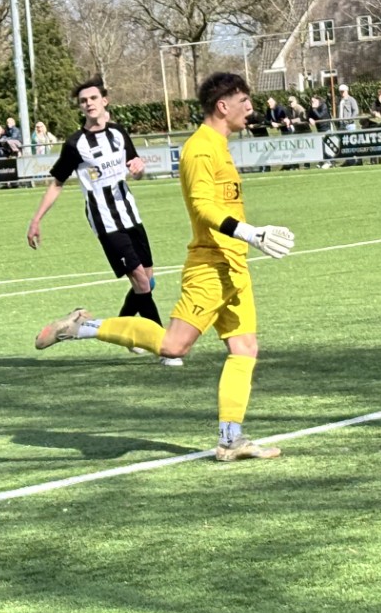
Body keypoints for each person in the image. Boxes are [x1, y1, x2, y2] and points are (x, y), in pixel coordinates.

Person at [33, 72, 296, 462]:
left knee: (244, 348)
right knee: (174, 346)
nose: (251, 109)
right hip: (211, 265)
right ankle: (81, 327)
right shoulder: (199, 149)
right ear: (223, 106)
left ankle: (230, 440)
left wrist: (245, 241)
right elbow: (204, 208)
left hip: (234, 267)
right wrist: (250, 233)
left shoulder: (219, 146)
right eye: (245, 102)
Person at [27, 78, 166, 345]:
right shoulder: (75, 144)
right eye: (83, 101)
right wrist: (36, 219)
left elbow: (134, 166)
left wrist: (139, 169)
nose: (88, 103)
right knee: (139, 280)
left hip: (131, 214)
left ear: (105, 101)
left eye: (93, 98)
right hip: (104, 220)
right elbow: (57, 183)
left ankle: (116, 330)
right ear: (80, 107)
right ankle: (161, 343)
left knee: (148, 282)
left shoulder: (118, 133)